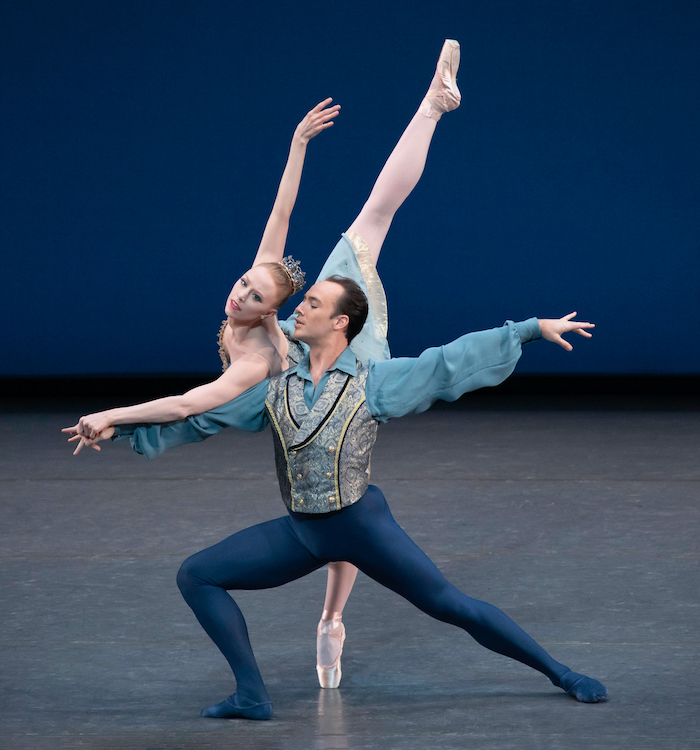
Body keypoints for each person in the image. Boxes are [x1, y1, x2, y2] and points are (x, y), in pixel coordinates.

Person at [64, 41, 466, 689]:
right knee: (338, 509)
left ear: (275, 301)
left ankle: (432, 106)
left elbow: (190, 400)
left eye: (254, 289)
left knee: (371, 220)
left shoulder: (267, 326)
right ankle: (333, 620)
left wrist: (298, 145)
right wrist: (297, 145)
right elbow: (191, 401)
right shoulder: (254, 351)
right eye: (243, 287)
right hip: (304, 383)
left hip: (336, 365)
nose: (238, 292)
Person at [70, 275, 607, 720]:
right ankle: (252, 696)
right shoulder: (275, 387)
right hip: (303, 531)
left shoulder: (374, 382)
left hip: (361, 527)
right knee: (196, 574)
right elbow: (200, 416)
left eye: (311, 304)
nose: (296, 311)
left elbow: (448, 362)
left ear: (340, 322)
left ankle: (562, 673)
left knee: (451, 605)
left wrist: (533, 329)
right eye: (302, 302)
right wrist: (116, 429)